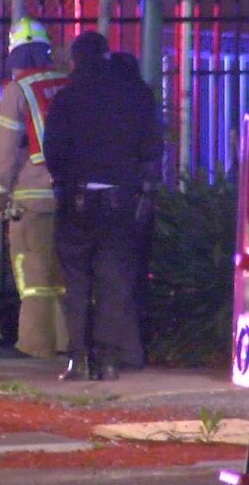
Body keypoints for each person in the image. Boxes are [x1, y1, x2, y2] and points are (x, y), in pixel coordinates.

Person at [43, 32, 163, 381]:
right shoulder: (136, 96)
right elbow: (152, 150)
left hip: (77, 202)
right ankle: (109, 360)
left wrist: (66, 184)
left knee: (77, 281)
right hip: (120, 202)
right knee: (114, 281)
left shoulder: (67, 99)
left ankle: (79, 359)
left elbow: (54, 153)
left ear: (75, 60)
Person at [0, 17, 70, 360]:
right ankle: (68, 340)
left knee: (32, 270)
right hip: (71, 193)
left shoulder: (18, 89)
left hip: (33, 196)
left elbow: (4, 150)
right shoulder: (67, 82)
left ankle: (35, 343)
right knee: (64, 271)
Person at [110, 51, 156, 370]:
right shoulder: (144, 98)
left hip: (118, 198)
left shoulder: (112, 103)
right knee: (137, 273)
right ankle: (139, 344)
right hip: (141, 198)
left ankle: (126, 349)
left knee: (117, 274)